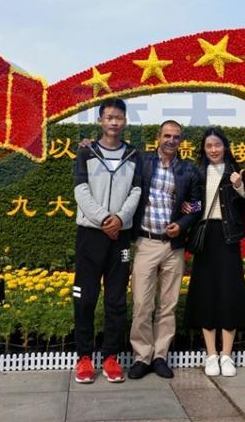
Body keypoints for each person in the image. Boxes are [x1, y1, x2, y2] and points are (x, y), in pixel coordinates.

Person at [72, 98, 141, 383]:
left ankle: (111, 357)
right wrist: (103, 220)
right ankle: (84, 357)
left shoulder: (134, 155)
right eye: (109, 117)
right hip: (91, 233)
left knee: (116, 299)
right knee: (85, 298)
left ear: (125, 122)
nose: (114, 122)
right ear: (101, 121)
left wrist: (119, 220)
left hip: (120, 236)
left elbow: (137, 191)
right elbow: (80, 189)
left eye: (119, 118)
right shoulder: (86, 152)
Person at [127, 120, 202, 380]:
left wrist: (181, 225)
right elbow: (117, 157)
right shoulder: (143, 162)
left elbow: (196, 205)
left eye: (176, 137)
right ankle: (141, 357)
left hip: (173, 246)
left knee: (168, 305)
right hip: (146, 242)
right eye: (167, 135)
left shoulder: (188, 170)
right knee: (141, 303)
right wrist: (88, 146)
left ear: (181, 141)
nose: (171, 140)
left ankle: (160, 356)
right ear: (158, 137)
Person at [183, 127, 245, 377]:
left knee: (229, 294)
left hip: (228, 239)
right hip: (205, 238)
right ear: (204, 150)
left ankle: (227, 356)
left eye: (217, 145)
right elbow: (193, 205)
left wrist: (239, 187)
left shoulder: (234, 172)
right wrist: (187, 205)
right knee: (206, 294)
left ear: (225, 146)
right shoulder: (197, 172)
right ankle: (211, 355)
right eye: (208, 146)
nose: (213, 150)